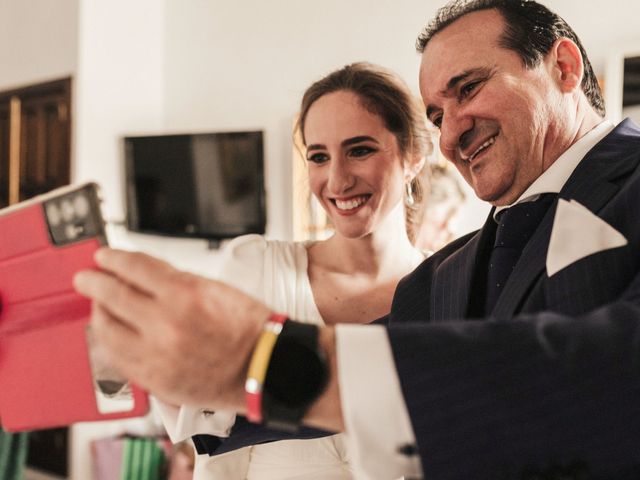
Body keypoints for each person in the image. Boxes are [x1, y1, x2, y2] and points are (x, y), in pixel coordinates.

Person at [74, 0, 640, 478]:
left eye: (468, 88)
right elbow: (349, 384)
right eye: (438, 114)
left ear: (563, 65)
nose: (453, 133)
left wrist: (255, 357)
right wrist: (130, 347)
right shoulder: (443, 274)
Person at [150, 62, 433, 479]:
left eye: (359, 150)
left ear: (413, 157)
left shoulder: (445, 288)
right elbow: (204, 429)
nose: (336, 181)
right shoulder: (257, 270)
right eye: (319, 157)